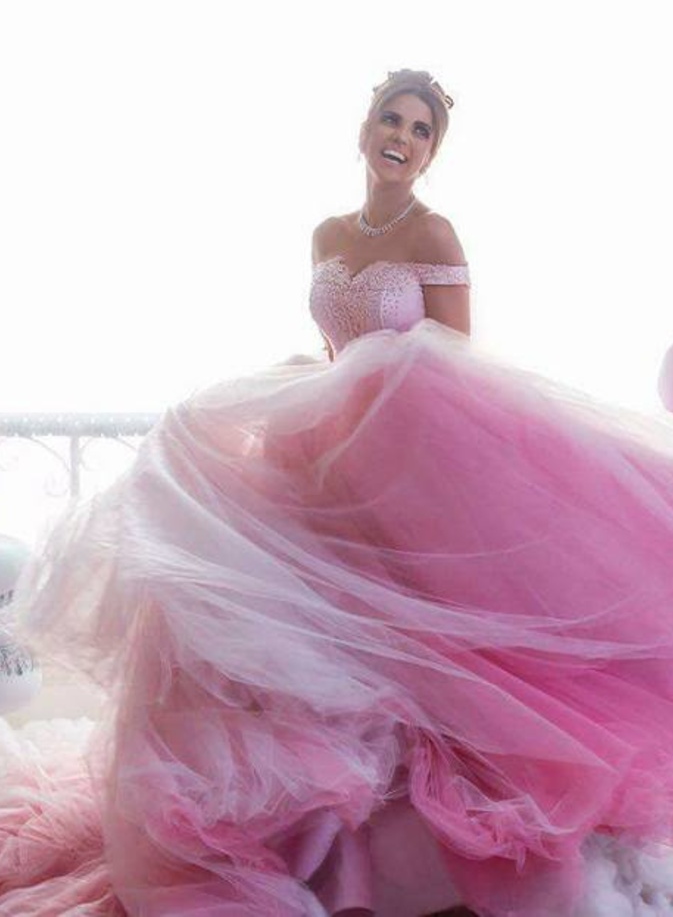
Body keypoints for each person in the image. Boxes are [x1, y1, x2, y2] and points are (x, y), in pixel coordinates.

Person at [4, 69, 673, 917]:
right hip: (323, 446)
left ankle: (410, 842)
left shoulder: (432, 229)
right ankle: (306, 836)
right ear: (366, 128)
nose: (402, 137)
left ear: (431, 152)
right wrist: (316, 408)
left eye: (420, 130)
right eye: (392, 119)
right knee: (279, 607)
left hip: (406, 448)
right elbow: (333, 349)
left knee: (416, 643)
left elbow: (452, 361)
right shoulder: (327, 233)